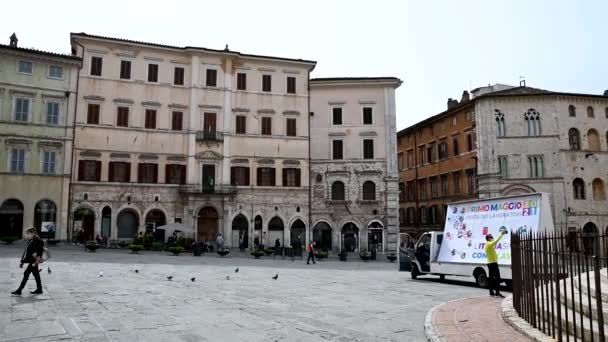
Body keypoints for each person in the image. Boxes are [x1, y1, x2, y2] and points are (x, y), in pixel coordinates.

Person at [12, 228, 45, 295]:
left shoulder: (38, 240)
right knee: (36, 275)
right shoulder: (32, 240)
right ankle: (39, 289)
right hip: (32, 261)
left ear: (33, 233)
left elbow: (39, 252)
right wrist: (22, 261)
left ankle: (19, 290)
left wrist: (37, 261)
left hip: (34, 261)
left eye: (28, 233)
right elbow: (27, 251)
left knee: (26, 274)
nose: (28, 235)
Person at [485, 230, 507, 297]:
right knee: (497, 278)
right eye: (491, 237)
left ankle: (492, 292)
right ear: (488, 239)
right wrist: (501, 234)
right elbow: (496, 241)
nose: (492, 238)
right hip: (492, 264)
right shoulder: (488, 244)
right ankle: (497, 293)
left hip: (491, 263)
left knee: (491, 278)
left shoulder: (489, 245)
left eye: (492, 237)